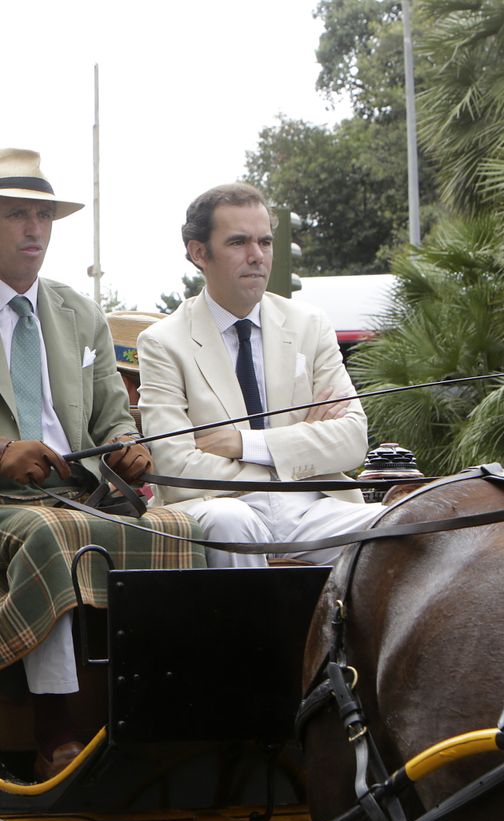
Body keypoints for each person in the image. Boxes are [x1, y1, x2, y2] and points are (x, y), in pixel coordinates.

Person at [0, 148, 204, 779]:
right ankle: (56, 726)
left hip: (76, 495)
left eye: (44, 217)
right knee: (50, 535)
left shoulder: (80, 313)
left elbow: (111, 416)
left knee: (190, 528)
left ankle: (171, 709)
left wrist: (126, 448)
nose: (34, 230)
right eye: (16, 215)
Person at [137, 183, 383, 568]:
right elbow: (176, 468)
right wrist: (298, 448)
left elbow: (352, 441)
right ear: (199, 253)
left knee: (398, 526)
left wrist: (244, 444)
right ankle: (254, 632)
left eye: (265, 242)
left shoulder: (309, 324)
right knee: (231, 523)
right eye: (238, 243)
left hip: (313, 508)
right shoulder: (163, 342)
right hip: (217, 507)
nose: (257, 256)